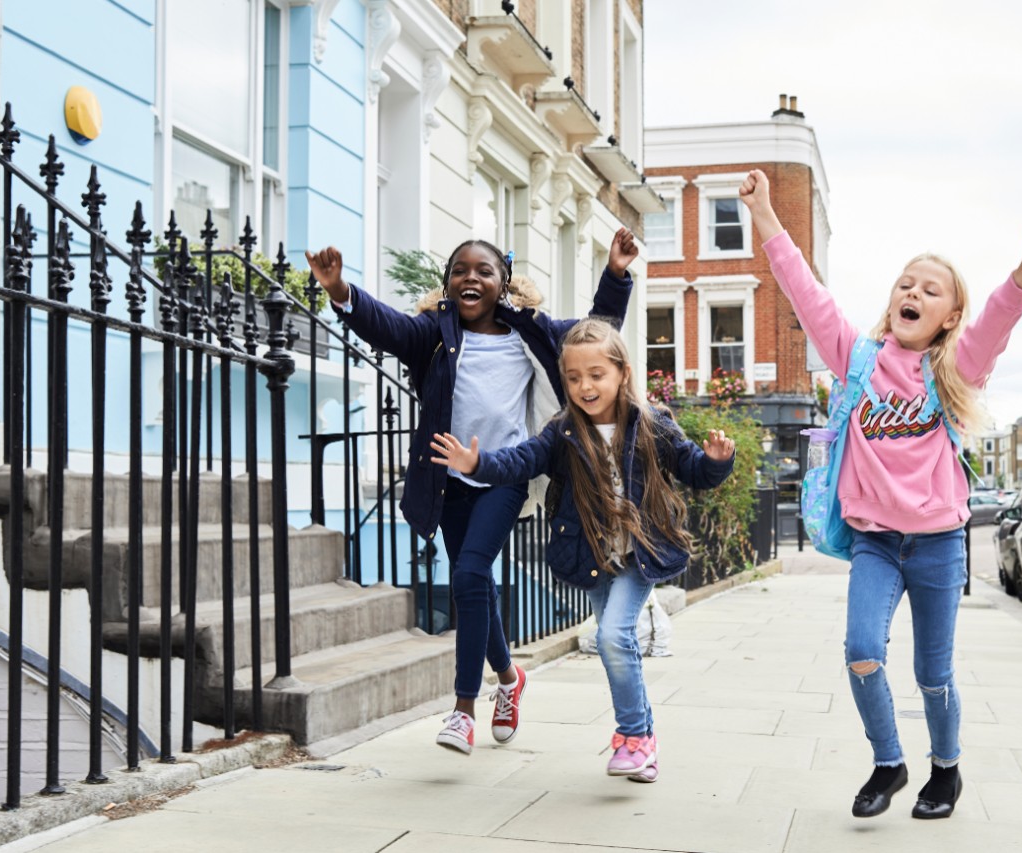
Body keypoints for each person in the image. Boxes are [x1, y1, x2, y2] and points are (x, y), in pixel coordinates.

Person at [739, 169, 1022, 819]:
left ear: (949, 315)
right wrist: (765, 212)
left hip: (938, 544)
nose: (913, 292)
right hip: (876, 544)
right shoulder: (857, 357)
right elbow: (804, 289)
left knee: (933, 675)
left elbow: (997, 322)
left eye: (930, 288)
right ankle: (889, 761)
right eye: (905, 284)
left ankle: (946, 770)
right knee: (861, 652)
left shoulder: (954, 368)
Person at [305, 230, 638, 755]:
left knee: (468, 574)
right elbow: (387, 327)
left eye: (484, 271)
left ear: (502, 283)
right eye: (460, 270)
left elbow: (595, 331)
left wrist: (616, 274)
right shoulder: (432, 334)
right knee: (471, 584)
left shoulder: (532, 332)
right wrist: (341, 291)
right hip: (446, 478)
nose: (471, 278)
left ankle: (463, 709)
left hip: (503, 474)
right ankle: (509, 678)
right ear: (447, 284)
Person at [428, 318, 736, 783]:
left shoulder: (652, 424)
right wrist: (479, 463)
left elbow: (693, 469)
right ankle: (642, 742)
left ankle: (633, 737)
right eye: (573, 378)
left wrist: (717, 462)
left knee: (613, 638)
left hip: (638, 553)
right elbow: (521, 459)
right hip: (592, 556)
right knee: (618, 645)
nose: (585, 386)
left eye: (596, 375)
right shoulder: (562, 432)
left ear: (622, 374)